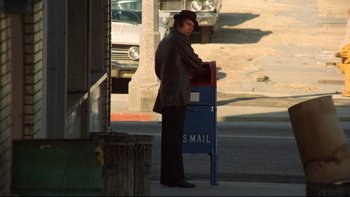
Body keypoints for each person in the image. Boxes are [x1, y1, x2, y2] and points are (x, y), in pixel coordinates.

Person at [153, 10, 203, 188]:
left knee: (168, 139)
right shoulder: (180, 41)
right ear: (180, 23)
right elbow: (196, 63)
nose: (191, 29)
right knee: (174, 140)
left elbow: (158, 69)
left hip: (167, 95)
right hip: (176, 97)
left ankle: (166, 178)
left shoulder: (165, 41)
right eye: (189, 24)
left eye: (192, 26)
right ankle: (176, 178)